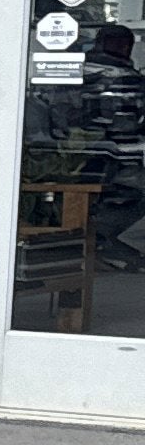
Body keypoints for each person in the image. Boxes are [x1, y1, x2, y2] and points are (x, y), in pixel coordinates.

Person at [80, 19, 145, 274]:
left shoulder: (76, 70)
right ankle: (98, 239)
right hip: (113, 154)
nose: (124, 48)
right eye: (120, 43)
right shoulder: (121, 77)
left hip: (73, 151)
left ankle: (99, 241)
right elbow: (128, 124)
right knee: (137, 189)